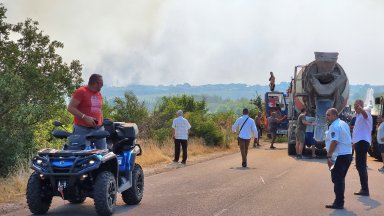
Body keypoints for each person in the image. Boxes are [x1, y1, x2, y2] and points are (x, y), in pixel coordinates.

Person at [67, 74, 107, 149]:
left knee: (103, 153)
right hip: (82, 129)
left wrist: (102, 122)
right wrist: (84, 117)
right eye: (101, 83)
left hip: (98, 129)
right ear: (95, 83)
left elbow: (99, 109)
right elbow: (70, 108)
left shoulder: (98, 93)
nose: (102, 85)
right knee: (80, 152)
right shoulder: (81, 91)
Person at [324, 108, 353, 209]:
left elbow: (334, 142)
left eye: (328, 115)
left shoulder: (334, 126)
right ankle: (339, 201)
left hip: (339, 155)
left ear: (334, 115)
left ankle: (339, 203)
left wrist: (329, 155)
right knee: (340, 179)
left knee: (337, 179)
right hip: (347, 154)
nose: (326, 117)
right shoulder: (343, 123)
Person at [351, 99, 372, 196]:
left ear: (360, 106)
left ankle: (365, 189)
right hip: (360, 142)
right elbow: (357, 130)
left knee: (361, 166)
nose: (355, 108)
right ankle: (364, 189)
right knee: (361, 166)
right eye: (355, 107)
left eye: (356, 106)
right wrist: (354, 142)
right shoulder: (358, 116)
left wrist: (361, 109)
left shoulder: (365, 112)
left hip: (362, 142)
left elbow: (366, 114)